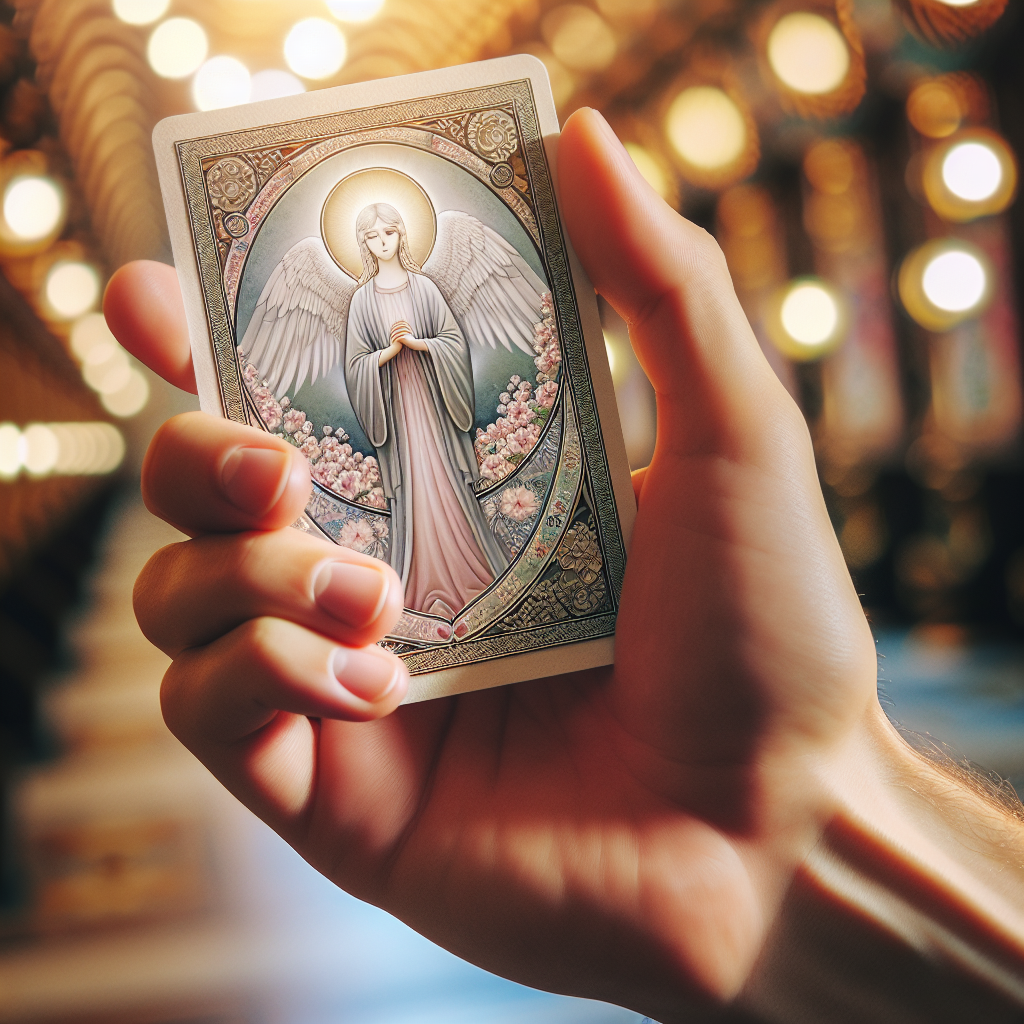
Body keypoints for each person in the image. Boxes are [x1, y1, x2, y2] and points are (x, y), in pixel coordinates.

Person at [106, 108, 1024, 1022]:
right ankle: (424, 598)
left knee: (450, 509)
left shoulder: (431, 283)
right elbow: (351, 378)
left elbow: (461, 348)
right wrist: (379, 364)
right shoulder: (347, 299)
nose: (385, 235)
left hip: (442, 420)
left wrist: (800, 808)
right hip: (400, 431)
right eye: (372, 228)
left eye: (392, 223)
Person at [344, 202, 505, 617]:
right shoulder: (361, 300)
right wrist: (389, 352)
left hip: (434, 406)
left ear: (402, 235)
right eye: (372, 237)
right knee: (413, 486)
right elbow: (355, 364)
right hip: (397, 413)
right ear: (363, 243)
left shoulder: (424, 288)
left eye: (389, 233)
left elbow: (453, 341)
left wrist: (420, 345)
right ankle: (418, 581)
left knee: (445, 478)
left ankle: (471, 568)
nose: (382, 243)